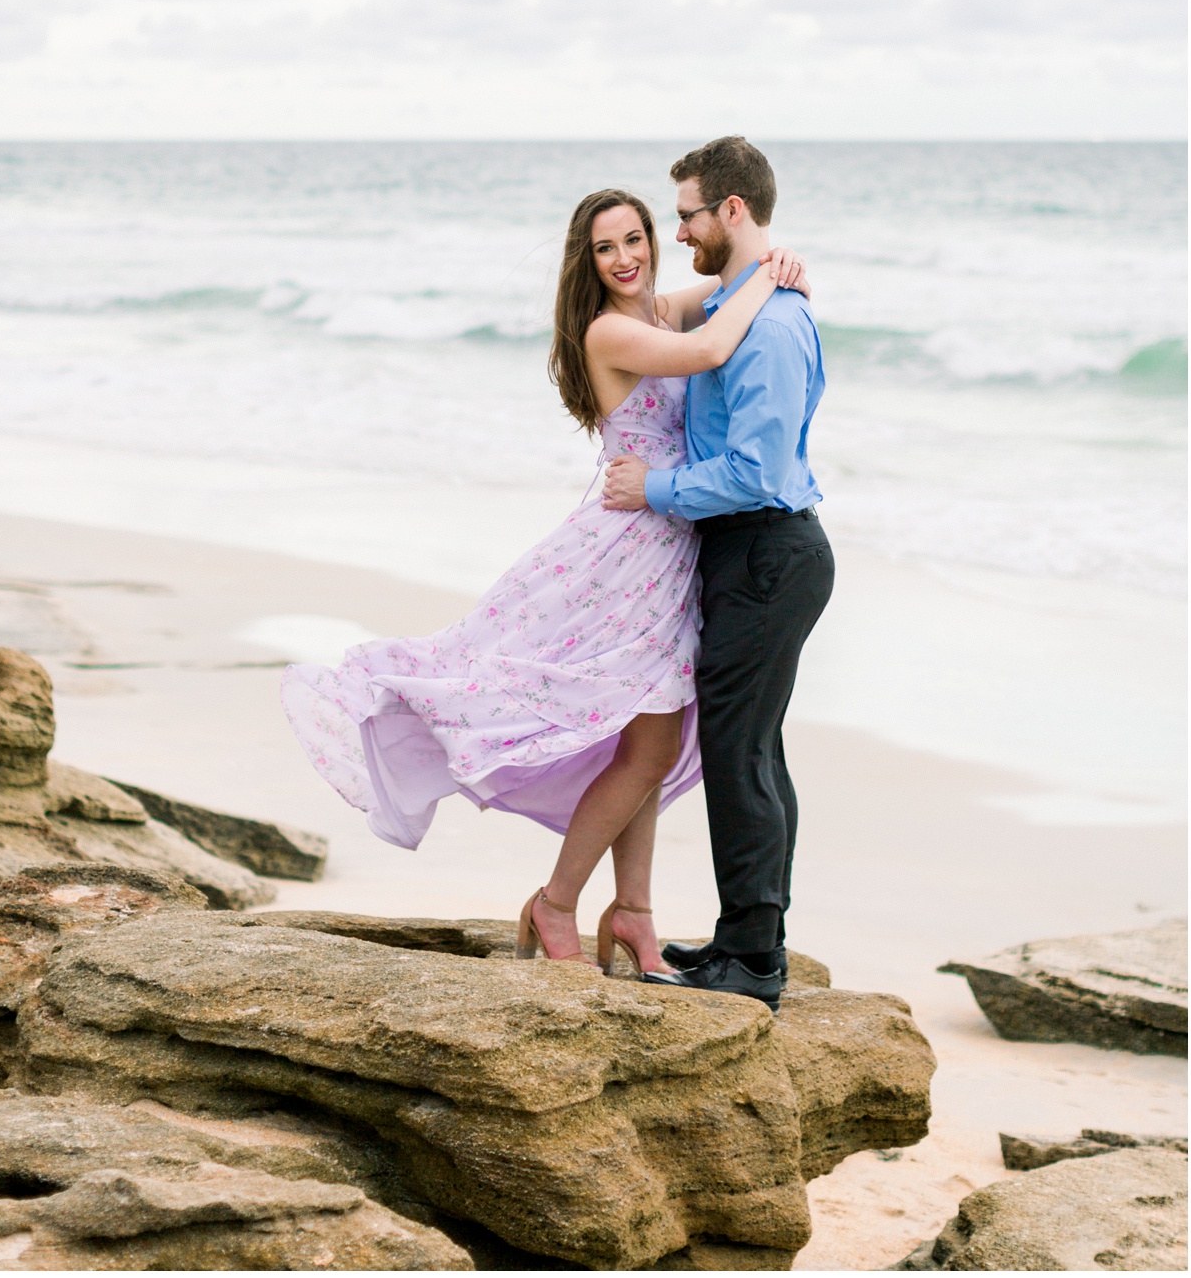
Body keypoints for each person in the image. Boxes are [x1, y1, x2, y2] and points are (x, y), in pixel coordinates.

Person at [283, 184, 804, 977]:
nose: (626, 257)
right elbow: (713, 349)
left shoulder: (660, 308)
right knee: (651, 740)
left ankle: (633, 912)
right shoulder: (610, 331)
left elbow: (729, 285)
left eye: (636, 238)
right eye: (606, 247)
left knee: (646, 738)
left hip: (670, 550)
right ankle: (557, 901)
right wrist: (768, 280)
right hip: (627, 552)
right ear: (586, 262)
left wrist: (778, 261)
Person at [595, 136, 832, 1014]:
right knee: (752, 751)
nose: (679, 228)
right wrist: (770, 267)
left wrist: (651, 487)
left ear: (730, 210)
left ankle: (756, 960)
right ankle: (746, 938)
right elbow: (681, 312)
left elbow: (757, 472)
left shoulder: (764, 326)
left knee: (742, 756)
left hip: (768, 548)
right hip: (748, 551)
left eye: (688, 212)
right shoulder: (740, 300)